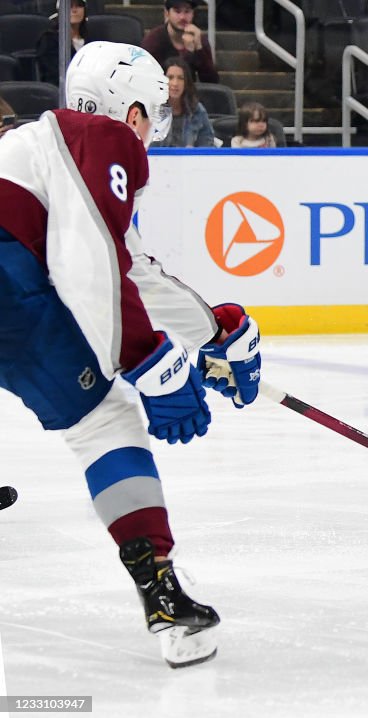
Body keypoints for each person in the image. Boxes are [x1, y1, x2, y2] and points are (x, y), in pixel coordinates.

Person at [0, 41, 262, 667]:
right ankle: (164, 597)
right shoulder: (101, 138)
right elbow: (89, 261)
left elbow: (132, 267)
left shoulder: (43, 148)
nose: (151, 130)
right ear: (132, 109)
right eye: (152, 112)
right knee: (106, 420)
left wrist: (214, 331)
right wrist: (152, 363)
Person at [141, 0, 219, 83]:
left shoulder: (199, 38)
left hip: (189, 94)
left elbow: (212, 81)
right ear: (167, 13)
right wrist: (188, 52)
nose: (182, 17)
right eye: (177, 11)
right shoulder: (153, 39)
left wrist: (199, 48)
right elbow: (145, 78)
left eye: (187, 11)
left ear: (193, 14)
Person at [149, 56, 216, 147]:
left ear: (186, 82)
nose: (175, 83)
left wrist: (193, 153)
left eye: (180, 78)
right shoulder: (152, 109)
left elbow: (207, 143)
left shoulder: (197, 110)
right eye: (170, 77)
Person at [35, 0, 89, 86]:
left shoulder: (92, 40)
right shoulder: (48, 39)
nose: (74, 10)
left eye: (79, 5)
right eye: (70, 6)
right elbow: (53, 74)